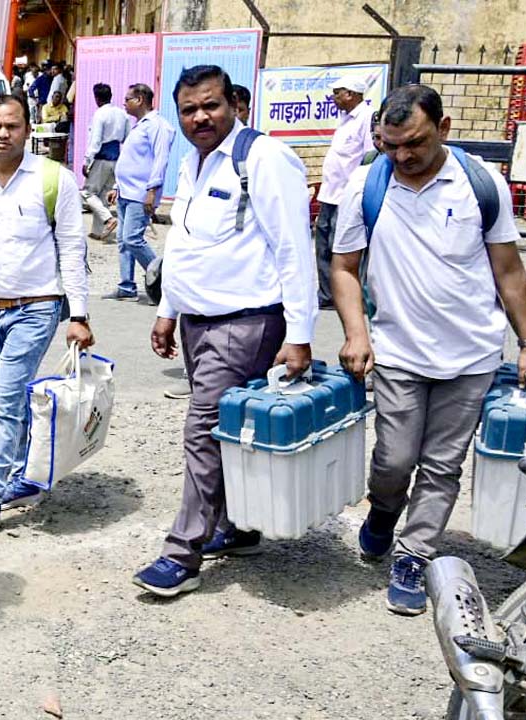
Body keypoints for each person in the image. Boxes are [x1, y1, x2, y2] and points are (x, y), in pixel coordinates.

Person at [331, 84, 526, 616]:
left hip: (471, 356)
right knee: (394, 459)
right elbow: (343, 268)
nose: (403, 156)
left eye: (415, 144)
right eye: (390, 145)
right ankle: (383, 512)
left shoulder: (480, 183)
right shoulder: (367, 185)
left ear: (444, 129)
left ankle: (414, 551)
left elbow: (509, 270)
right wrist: (357, 333)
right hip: (399, 352)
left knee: (442, 465)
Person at [133, 65, 316, 597]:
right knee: (230, 431)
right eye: (188, 109)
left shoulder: (262, 158)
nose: (200, 117)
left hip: (247, 323)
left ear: (234, 103)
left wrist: (299, 334)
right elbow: (186, 245)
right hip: (198, 322)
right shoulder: (192, 163)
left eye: (210, 105)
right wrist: (168, 308)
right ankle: (236, 527)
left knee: (202, 428)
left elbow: (294, 250)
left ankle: (182, 553)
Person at [0, 93, 94, 531]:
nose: (2, 133)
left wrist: (78, 314)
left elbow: (72, 246)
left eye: (12, 126)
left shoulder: (53, 179)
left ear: (28, 130)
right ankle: (26, 473)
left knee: (5, 398)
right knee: (12, 396)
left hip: (38, 307)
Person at [105, 83, 174, 302]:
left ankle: (162, 281)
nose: (124, 103)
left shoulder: (157, 126)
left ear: (140, 100)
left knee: (133, 238)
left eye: (127, 99)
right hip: (126, 191)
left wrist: (152, 190)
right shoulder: (139, 126)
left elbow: (160, 160)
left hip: (140, 192)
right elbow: (131, 160)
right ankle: (127, 285)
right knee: (123, 241)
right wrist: (117, 186)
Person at [315, 75, 374, 310]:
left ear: (350, 94)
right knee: (322, 246)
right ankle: (327, 295)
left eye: (337, 92)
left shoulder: (366, 118)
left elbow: (369, 157)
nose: (334, 97)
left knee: (340, 247)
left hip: (347, 196)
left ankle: (346, 296)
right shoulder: (344, 119)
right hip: (329, 193)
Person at [82, 82, 127, 243]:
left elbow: (95, 141)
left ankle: (108, 219)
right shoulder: (122, 114)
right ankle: (98, 231)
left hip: (101, 157)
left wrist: (87, 161)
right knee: (103, 195)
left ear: (97, 98)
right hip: (116, 158)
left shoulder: (100, 114)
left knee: (87, 193)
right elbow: (126, 138)